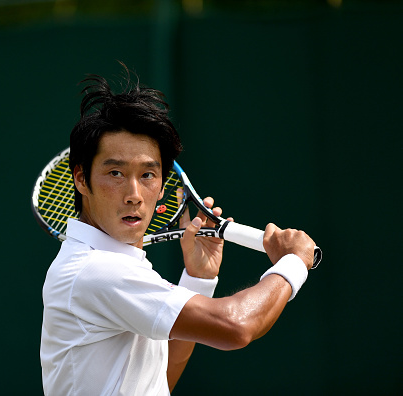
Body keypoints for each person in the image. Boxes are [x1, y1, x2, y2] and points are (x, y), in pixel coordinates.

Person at [40, 65, 316, 396]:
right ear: (81, 179)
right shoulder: (95, 271)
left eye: (147, 175)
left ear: (161, 185)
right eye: (115, 173)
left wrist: (198, 280)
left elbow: (158, 381)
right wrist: (293, 264)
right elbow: (236, 326)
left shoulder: (115, 264)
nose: (134, 194)